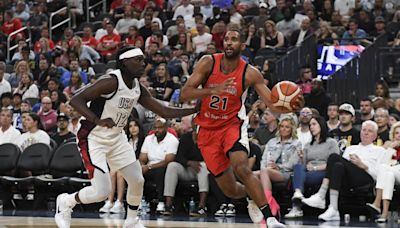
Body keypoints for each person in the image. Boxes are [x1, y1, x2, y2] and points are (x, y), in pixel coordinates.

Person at [54, 46, 199, 228]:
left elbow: (163, 110)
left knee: (137, 179)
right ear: (124, 62)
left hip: (117, 137)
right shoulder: (111, 81)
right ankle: (66, 202)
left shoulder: (137, 87)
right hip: (93, 137)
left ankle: (131, 221)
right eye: (138, 60)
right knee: (101, 191)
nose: (143, 63)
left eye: (143, 59)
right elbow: (76, 99)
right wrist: (96, 120)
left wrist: (194, 109)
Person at [180, 26, 303, 227]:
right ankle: (251, 196)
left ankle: (270, 218)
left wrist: (292, 105)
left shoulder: (250, 73)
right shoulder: (208, 62)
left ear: (242, 45)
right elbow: (185, 93)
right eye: (227, 39)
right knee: (231, 190)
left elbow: (272, 103)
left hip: (232, 126)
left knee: (242, 168)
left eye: (234, 39)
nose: (229, 42)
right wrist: (213, 91)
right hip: (207, 130)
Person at [302, 120, 388, 221]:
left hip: (366, 177)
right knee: (338, 165)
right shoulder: (351, 148)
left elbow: (380, 176)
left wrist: (363, 165)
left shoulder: (380, 150)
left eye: (370, 131)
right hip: (347, 177)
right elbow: (340, 167)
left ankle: (321, 195)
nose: (366, 133)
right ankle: (333, 209)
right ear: (360, 132)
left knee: (334, 157)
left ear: (375, 136)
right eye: (364, 130)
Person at [284, 116, 340, 218]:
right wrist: (301, 158)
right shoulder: (308, 145)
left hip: (324, 173)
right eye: (310, 125)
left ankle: (297, 207)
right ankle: (297, 195)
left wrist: (316, 168)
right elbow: (303, 165)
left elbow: (335, 163)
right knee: (298, 167)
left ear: (321, 126)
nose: (311, 127)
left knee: (297, 177)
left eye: (314, 124)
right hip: (309, 172)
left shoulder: (331, 142)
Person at [258, 116, 301, 218]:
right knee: (252, 175)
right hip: (268, 170)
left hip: (285, 173)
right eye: (281, 126)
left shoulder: (296, 143)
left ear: (292, 129)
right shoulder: (271, 142)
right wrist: (266, 167)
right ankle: (266, 204)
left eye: (287, 127)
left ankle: (268, 204)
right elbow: (263, 160)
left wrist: (278, 166)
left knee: (264, 172)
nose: (283, 129)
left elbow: (292, 164)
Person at [162, 122, 209, 216]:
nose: (198, 125)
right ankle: (168, 205)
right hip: (187, 168)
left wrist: (198, 142)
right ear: (192, 124)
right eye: (195, 122)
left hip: (201, 169)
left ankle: (201, 206)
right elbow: (178, 157)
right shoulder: (185, 137)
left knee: (203, 166)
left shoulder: (208, 137)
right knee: (172, 166)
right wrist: (189, 163)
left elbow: (209, 156)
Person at [139, 118, 179, 214]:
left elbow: (168, 161)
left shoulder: (172, 140)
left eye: (160, 128)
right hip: (149, 166)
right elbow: (142, 158)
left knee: (160, 172)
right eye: (155, 128)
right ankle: (139, 201)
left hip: (163, 167)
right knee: (136, 172)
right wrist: (141, 166)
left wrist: (148, 167)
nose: (157, 130)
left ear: (166, 128)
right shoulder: (149, 139)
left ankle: (161, 202)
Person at [367, 122, 400, 223]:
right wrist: (390, 149)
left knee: (385, 169)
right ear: (393, 135)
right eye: (397, 133)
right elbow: (381, 165)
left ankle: (377, 202)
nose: (399, 135)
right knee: (388, 174)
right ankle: (384, 213)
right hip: (393, 174)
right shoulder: (389, 146)